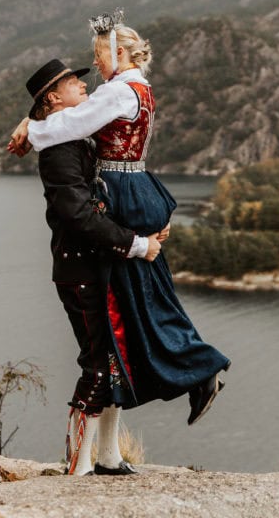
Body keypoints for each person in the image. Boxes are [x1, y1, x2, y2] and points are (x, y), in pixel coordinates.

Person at [9, 11, 230, 432]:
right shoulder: (132, 88)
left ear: (122, 53)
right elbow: (80, 115)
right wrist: (31, 121)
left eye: (99, 56)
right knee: (146, 297)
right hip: (135, 187)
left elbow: (76, 120)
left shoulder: (119, 91)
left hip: (119, 192)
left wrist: (31, 130)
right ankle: (194, 367)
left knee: (138, 302)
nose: (95, 67)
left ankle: (199, 366)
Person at [19, 57, 168, 476]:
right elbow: (80, 216)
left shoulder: (73, 135)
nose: (84, 87)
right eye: (72, 83)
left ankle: (107, 457)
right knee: (98, 362)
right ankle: (78, 466)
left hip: (95, 265)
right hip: (80, 270)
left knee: (116, 359)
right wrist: (136, 244)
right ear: (53, 97)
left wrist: (151, 220)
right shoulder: (60, 150)